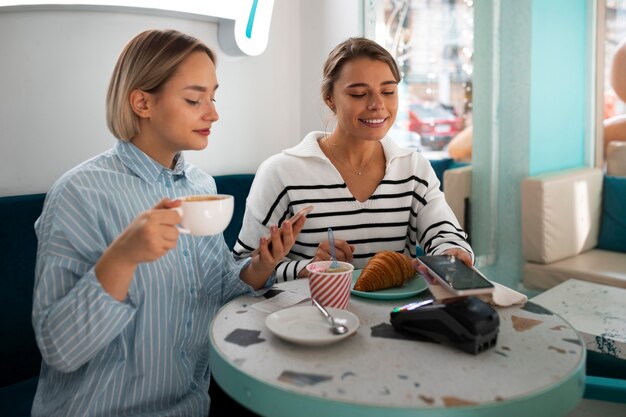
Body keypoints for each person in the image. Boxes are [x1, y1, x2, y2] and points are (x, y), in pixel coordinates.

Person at [31, 29, 304, 417]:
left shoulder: (200, 186)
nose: (213, 113)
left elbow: (215, 294)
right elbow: (60, 350)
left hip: (194, 406)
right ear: (142, 102)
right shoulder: (79, 193)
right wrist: (123, 258)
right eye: (194, 99)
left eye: (213, 97)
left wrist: (260, 267)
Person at [234, 37, 473, 282]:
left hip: (394, 318)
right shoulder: (281, 172)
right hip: (308, 317)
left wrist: (452, 252)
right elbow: (241, 272)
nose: (378, 104)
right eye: (359, 94)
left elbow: (445, 234)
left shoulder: (413, 167)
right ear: (329, 98)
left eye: (388, 91)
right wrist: (310, 267)